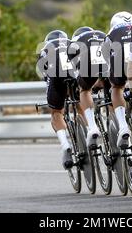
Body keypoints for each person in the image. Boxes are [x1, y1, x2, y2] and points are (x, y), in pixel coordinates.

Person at [37, 30, 75, 169]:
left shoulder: (45, 49)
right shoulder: (72, 43)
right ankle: (89, 130)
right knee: (83, 99)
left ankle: (65, 144)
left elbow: (45, 76)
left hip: (56, 77)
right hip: (76, 73)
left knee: (56, 113)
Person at [68, 26, 108, 148]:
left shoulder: (75, 43)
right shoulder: (101, 34)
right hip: (112, 59)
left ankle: (92, 127)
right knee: (116, 90)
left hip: (89, 67)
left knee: (84, 90)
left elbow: (75, 73)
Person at [101, 11, 132, 149]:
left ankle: (123, 126)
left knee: (116, 88)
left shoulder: (111, 33)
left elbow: (106, 57)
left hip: (120, 61)